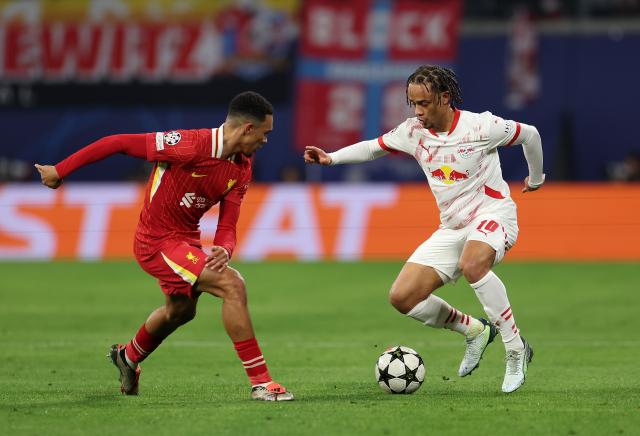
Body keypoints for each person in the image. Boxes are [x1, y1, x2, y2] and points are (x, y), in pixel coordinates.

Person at [35, 91, 294, 401]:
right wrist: (60, 171)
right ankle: (261, 382)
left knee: (181, 311)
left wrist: (225, 248)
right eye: (265, 134)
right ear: (248, 129)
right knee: (232, 285)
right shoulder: (188, 144)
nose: (266, 141)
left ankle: (128, 357)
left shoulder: (242, 167)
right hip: (156, 241)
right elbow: (117, 142)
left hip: (185, 240)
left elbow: (228, 224)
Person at [304, 65, 545, 393]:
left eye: (424, 103)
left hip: (494, 215)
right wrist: (330, 158)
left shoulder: (481, 126)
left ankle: (515, 348)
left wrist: (536, 178)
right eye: (413, 103)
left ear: (445, 98)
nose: (418, 111)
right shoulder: (412, 132)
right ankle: (474, 330)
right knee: (402, 297)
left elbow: (529, 134)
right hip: (452, 227)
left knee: (473, 265)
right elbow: (372, 147)